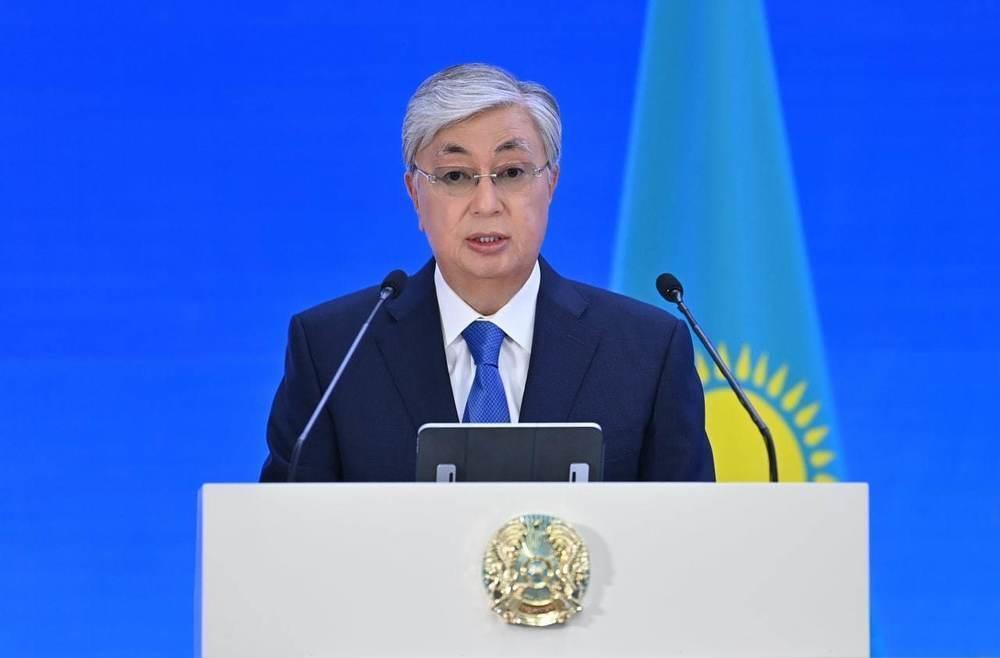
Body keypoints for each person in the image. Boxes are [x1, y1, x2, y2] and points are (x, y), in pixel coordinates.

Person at [260, 64, 714, 482]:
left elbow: (690, 531)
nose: (486, 204)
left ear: (551, 184)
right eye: (456, 176)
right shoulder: (334, 352)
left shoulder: (647, 352)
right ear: (415, 194)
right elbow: (285, 532)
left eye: (511, 171)